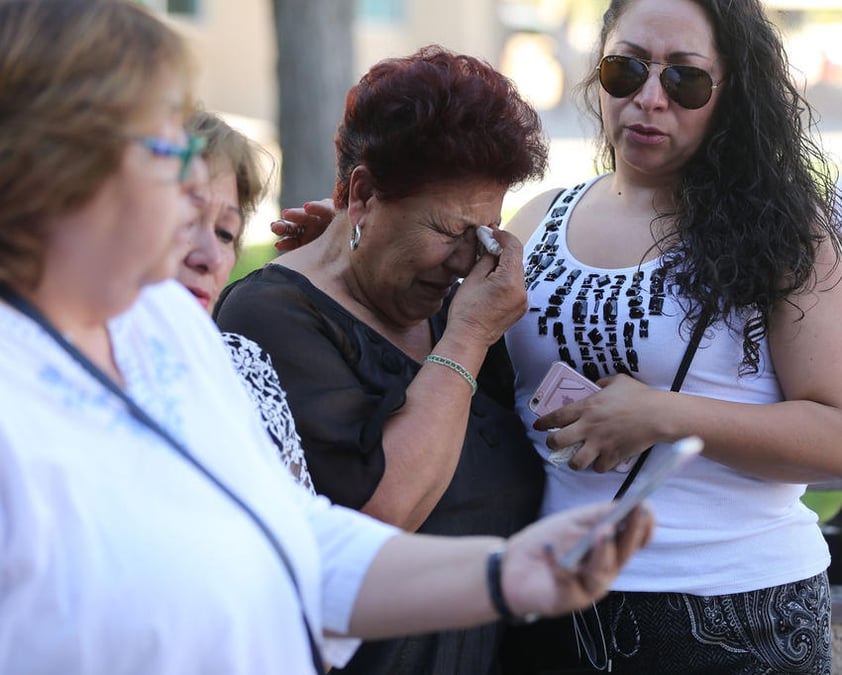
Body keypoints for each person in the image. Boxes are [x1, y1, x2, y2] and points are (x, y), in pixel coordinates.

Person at [0, 1, 655, 674]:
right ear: (57, 164)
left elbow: (298, 536)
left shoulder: (162, 325)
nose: (194, 178)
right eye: (167, 147)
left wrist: (509, 570)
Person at [501, 0, 842, 672]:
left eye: (684, 79)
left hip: (741, 615)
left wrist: (661, 415)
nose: (649, 99)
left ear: (731, 92)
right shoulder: (539, 216)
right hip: (556, 601)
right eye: (624, 70)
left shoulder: (783, 233)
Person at [214, 45, 552, 674]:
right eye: (450, 232)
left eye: (483, 235)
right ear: (364, 194)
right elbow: (377, 519)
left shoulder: (453, 305)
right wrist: (469, 338)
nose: (464, 262)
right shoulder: (269, 317)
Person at [178, 108, 314, 492]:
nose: (209, 257)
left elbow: (303, 523)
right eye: (186, 220)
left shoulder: (241, 364)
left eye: (225, 233)